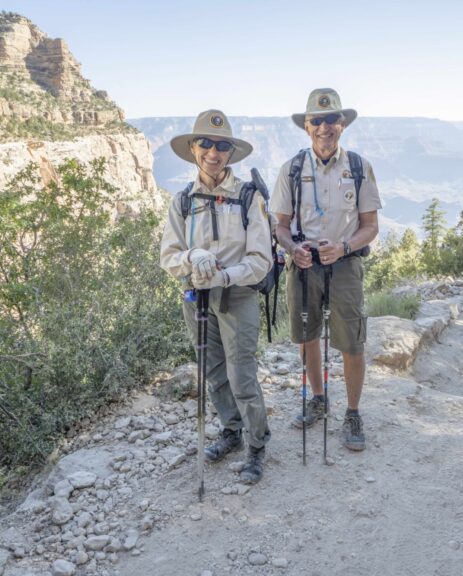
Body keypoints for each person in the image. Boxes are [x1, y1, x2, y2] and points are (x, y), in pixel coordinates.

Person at [160, 110, 272, 483]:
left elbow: (260, 260)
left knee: (241, 374)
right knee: (213, 371)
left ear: (231, 153)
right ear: (193, 148)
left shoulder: (248, 197)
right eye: (205, 143)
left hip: (237, 296)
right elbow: (169, 256)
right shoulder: (182, 201)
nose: (213, 152)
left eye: (222, 145)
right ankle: (231, 430)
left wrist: (224, 275)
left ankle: (256, 444)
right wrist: (192, 257)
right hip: (196, 298)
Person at [271, 88, 382, 452]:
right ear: (306, 126)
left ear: (342, 124)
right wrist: (292, 248)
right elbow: (280, 226)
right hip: (303, 266)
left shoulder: (358, 167)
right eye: (317, 120)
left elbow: (370, 225)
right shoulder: (292, 169)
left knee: (351, 340)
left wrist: (345, 246)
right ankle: (319, 398)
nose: (324, 127)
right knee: (307, 336)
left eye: (331, 119)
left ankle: (352, 412)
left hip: (346, 264)